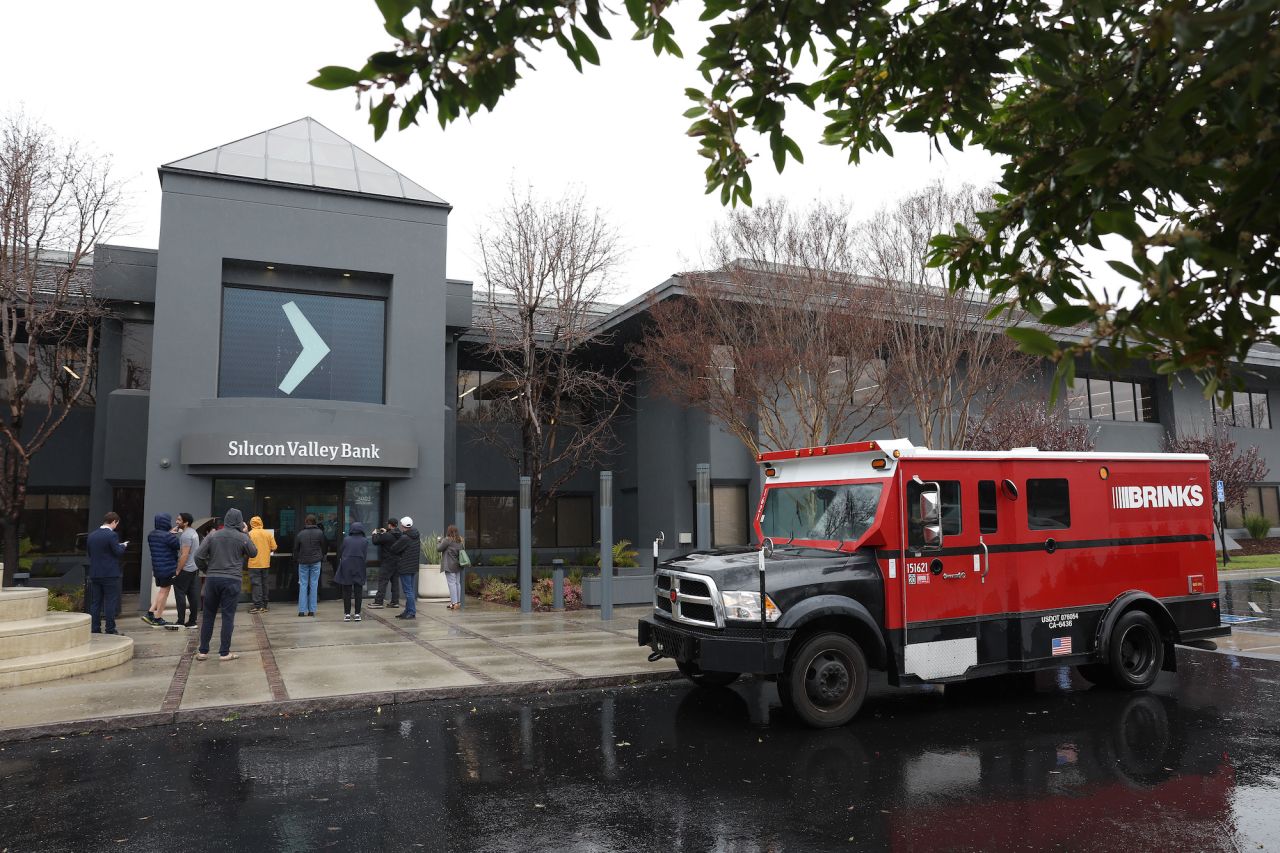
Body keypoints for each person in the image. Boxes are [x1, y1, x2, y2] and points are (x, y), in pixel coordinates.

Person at [193, 508, 256, 662]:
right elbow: (253, 553)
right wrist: (246, 532)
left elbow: (198, 556)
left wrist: (207, 570)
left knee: (208, 615)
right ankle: (224, 652)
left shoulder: (212, 535)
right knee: (228, 616)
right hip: (232, 579)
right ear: (240, 521)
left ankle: (203, 651)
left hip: (212, 579)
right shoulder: (242, 537)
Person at [86, 511, 127, 635]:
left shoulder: (92, 535)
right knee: (110, 602)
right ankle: (110, 629)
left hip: (95, 573)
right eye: (117, 523)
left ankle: (95, 628)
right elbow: (117, 552)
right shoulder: (112, 535)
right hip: (109, 573)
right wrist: (123, 546)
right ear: (114, 521)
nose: (116, 526)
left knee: (95, 602)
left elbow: (90, 553)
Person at [143, 512, 180, 628]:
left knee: (161, 591)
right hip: (167, 568)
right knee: (165, 592)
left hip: (158, 568)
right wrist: (174, 534)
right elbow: (178, 545)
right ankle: (158, 617)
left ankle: (150, 613)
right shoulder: (168, 537)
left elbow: (163, 540)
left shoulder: (152, 535)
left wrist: (170, 533)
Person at [335, 522, 369, 622]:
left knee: (347, 592)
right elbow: (365, 554)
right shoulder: (365, 541)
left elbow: (341, 551)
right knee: (358, 591)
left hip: (347, 567)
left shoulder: (346, 540)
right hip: (359, 566)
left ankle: (347, 614)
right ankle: (357, 614)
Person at [293, 514, 326, 617]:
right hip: (316, 561)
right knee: (314, 584)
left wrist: (297, 559)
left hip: (303, 562)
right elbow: (324, 547)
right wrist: (321, 556)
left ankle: (301, 610)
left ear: (306, 522)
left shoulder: (300, 534)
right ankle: (312, 610)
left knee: (303, 584)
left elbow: (295, 549)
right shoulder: (320, 533)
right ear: (315, 522)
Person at [173, 512, 201, 628]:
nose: (176, 522)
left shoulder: (185, 536)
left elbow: (184, 555)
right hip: (194, 568)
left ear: (186, 522)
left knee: (180, 593)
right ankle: (192, 621)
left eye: (179, 520)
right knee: (193, 595)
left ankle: (180, 621)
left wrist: (178, 570)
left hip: (185, 569)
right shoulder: (193, 532)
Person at [391, 515, 421, 619]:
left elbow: (394, 549)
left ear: (403, 526)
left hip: (405, 567)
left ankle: (411, 612)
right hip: (413, 567)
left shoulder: (405, 538)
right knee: (410, 590)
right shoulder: (416, 535)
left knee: (408, 591)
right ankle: (407, 611)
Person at [368, 518, 400, 609]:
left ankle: (378, 602)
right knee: (395, 582)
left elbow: (375, 541)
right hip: (397, 561)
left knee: (383, 581)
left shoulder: (387, 535)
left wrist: (374, 534)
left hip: (387, 561)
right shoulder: (399, 534)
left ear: (390, 525)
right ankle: (395, 602)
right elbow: (389, 536)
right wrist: (385, 532)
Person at [246, 516, 276, 614]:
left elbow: (245, 548)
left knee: (256, 585)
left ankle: (257, 606)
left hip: (254, 564)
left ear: (251, 524)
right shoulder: (267, 534)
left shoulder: (249, 534)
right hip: (265, 563)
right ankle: (265, 605)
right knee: (264, 584)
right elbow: (274, 547)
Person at [440, 525, 464, 610]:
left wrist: (439, 541)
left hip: (449, 565)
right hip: (457, 565)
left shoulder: (447, 540)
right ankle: (457, 602)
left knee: (452, 584)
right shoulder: (460, 540)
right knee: (457, 583)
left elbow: (439, 549)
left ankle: (454, 603)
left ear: (448, 531)